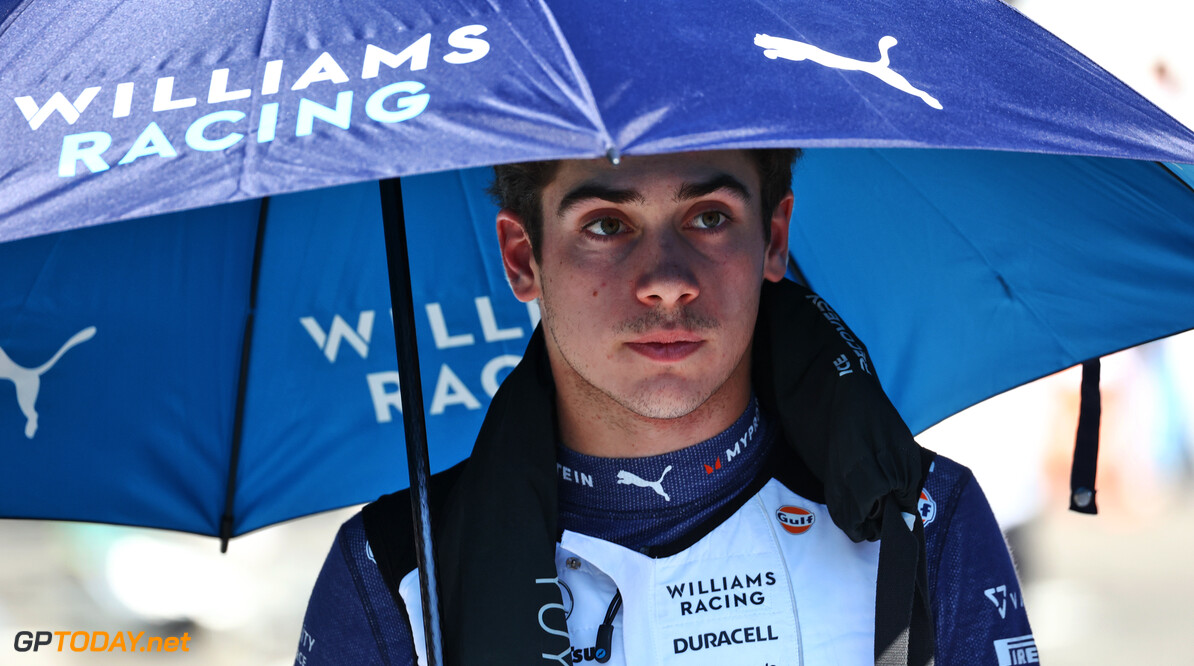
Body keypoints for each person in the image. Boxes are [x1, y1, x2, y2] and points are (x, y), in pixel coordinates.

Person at [295, 149, 1035, 665]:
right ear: (523, 259)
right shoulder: (393, 569)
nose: (666, 282)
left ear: (773, 239)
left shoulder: (923, 519)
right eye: (606, 226)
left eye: (708, 217)